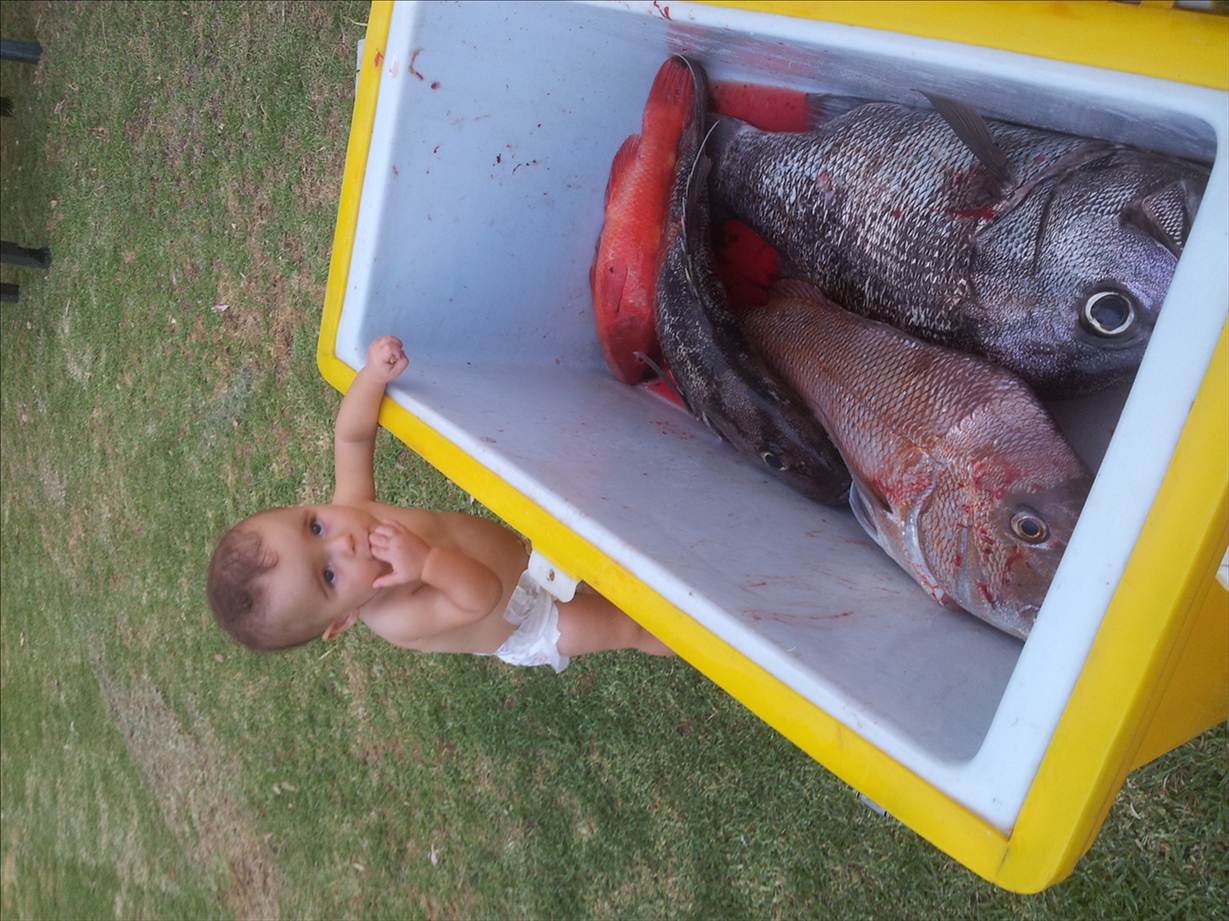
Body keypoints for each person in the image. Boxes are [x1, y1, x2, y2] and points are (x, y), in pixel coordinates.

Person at [206, 336, 672, 671]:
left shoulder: (353, 507)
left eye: (314, 528)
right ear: (343, 619)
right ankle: (696, 639)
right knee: (627, 626)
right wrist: (426, 563)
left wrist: (372, 377)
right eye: (328, 576)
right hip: (526, 620)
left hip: (524, 557)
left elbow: (351, 437)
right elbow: (483, 595)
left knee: (599, 555)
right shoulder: (396, 616)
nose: (341, 543)